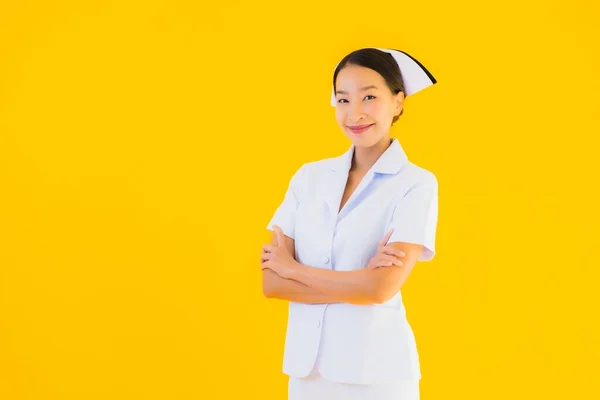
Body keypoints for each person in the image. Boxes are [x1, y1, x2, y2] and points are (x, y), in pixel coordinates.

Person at [261, 47, 439, 400]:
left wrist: (294, 269)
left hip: (378, 375)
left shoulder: (416, 183)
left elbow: (380, 289)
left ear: (398, 102)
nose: (354, 113)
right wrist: (357, 284)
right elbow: (271, 282)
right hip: (308, 376)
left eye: (369, 97)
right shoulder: (308, 178)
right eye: (343, 100)